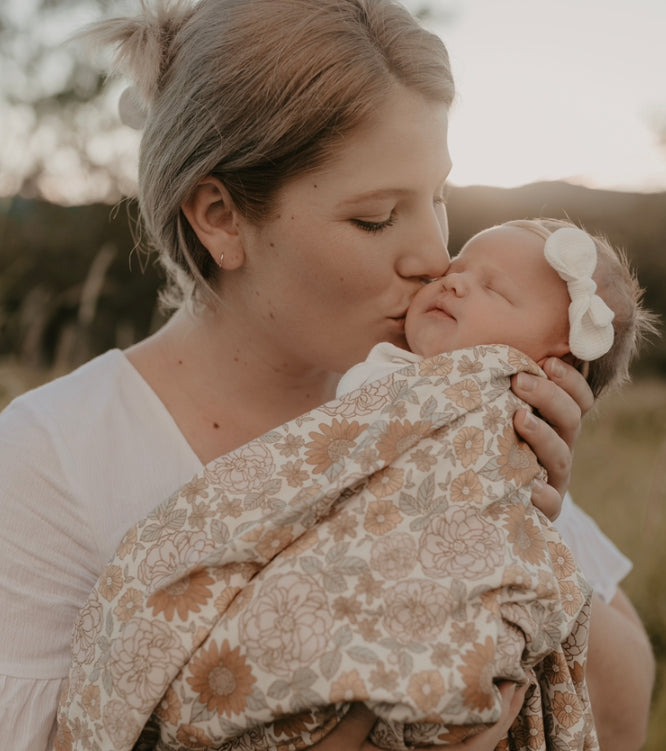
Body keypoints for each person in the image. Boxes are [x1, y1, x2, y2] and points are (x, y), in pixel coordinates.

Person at [0, 0, 652, 749]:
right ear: (218, 216)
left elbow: (626, 707)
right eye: (376, 217)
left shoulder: (445, 405)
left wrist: (535, 523)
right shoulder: (46, 464)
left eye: (436, 197)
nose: (434, 255)